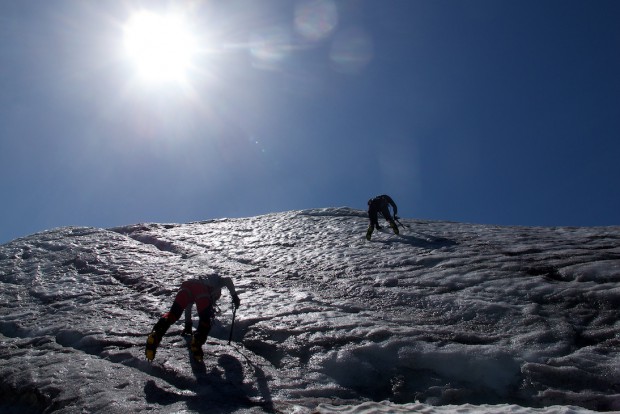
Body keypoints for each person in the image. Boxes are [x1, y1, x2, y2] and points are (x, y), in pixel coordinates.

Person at [145, 273, 240, 362]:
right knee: (205, 321)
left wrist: (188, 326)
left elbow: (188, 308)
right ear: (216, 293)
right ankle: (197, 344)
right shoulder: (215, 284)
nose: (213, 301)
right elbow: (227, 280)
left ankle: (156, 334)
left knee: (173, 314)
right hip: (201, 287)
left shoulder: (205, 279)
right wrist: (235, 297)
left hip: (186, 285)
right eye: (214, 298)